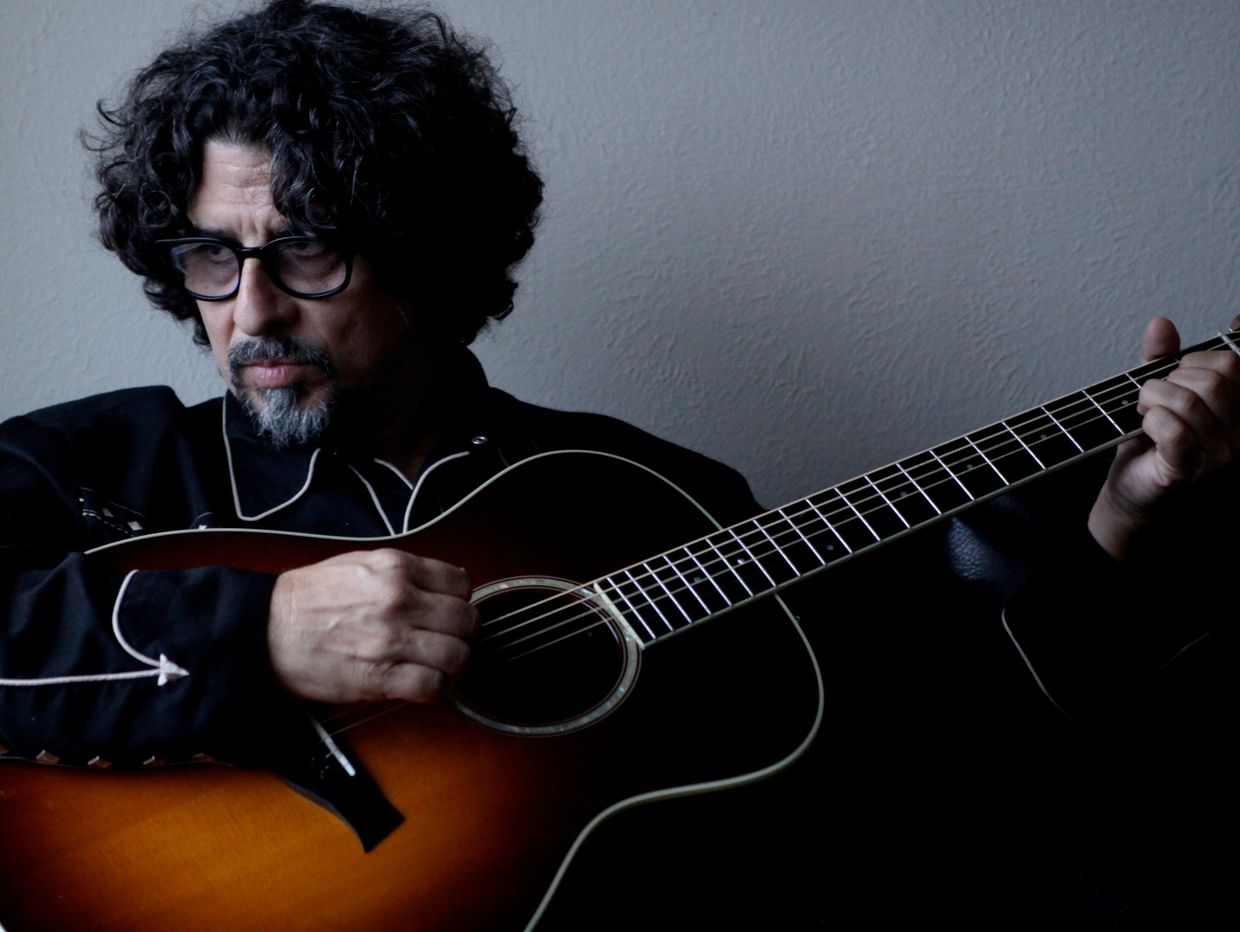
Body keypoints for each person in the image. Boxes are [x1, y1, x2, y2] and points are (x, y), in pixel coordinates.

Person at [0, 1, 1234, 927]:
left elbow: (937, 760)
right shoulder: (115, 460)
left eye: (306, 251)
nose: (248, 309)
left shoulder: (645, 496)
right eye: (212, 258)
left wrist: (1120, 519)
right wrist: (253, 630)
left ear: (428, 251)